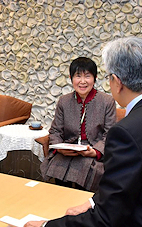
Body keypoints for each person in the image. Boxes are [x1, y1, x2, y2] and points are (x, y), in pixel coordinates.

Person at [24, 37, 142, 227]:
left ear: (117, 82)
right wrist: (91, 202)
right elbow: (131, 184)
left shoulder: (127, 130)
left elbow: (106, 218)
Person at [40, 57, 116, 192]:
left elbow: (110, 134)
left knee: (85, 168)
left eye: (87, 76)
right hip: (67, 152)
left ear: (95, 78)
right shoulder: (64, 101)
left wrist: (95, 152)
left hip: (92, 153)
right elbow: (55, 131)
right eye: (78, 76)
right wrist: (59, 148)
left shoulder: (107, 101)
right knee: (58, 165)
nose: (82, 81)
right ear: (71, 78)